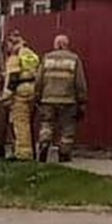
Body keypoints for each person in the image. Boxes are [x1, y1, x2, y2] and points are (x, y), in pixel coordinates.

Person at [35, 34, 88, 163]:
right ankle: (64, 153)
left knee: (46, 124)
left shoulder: (47, 58)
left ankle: (44, 143)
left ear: (55, 44)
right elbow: (80, 82)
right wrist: (82, 100)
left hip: (48, 99)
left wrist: (37, 96)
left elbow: (39, 79)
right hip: (67, 100)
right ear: (66, 45)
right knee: (67, 128)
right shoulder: (74, 59)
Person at [5, 30, 40, 161]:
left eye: (8, 44)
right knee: (29, 122)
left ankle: (24, 154)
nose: (7, 48)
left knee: (20, 122)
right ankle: (31, 151)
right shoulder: (31, 54)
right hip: (33, 88)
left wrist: (7, 94)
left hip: (20, 90)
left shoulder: (15, 55)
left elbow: (13, 76)